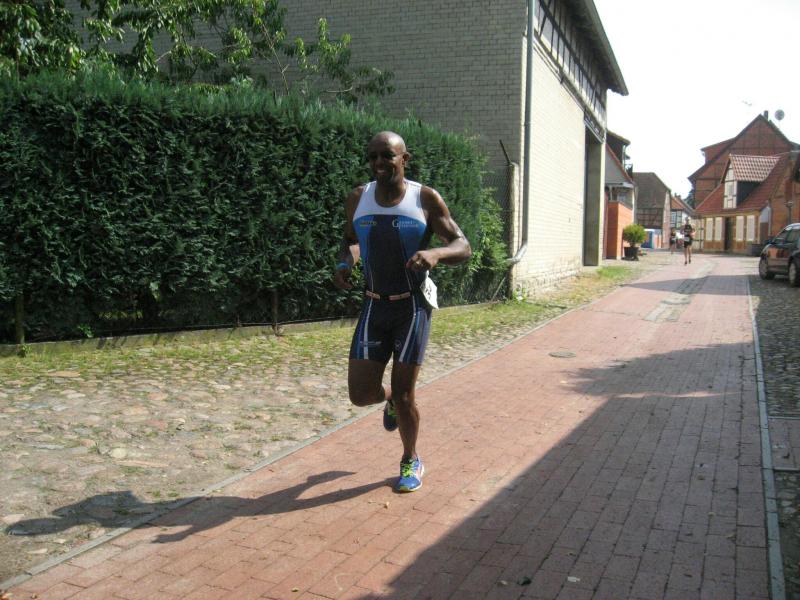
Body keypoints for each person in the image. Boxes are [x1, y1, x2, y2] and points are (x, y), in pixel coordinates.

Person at [333, 131, 472, 492]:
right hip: (373, 304)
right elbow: (350, 241)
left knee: (407, 393)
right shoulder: (358, 198)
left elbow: (462, 245)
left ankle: (411, 458)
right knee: (360, 394)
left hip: (412, 308)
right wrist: (345, 263)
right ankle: (389, 399)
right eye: (373, 156)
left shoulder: (424, 198)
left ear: (404, 159)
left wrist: (436, 254)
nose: (379, 162)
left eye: (387, 155)